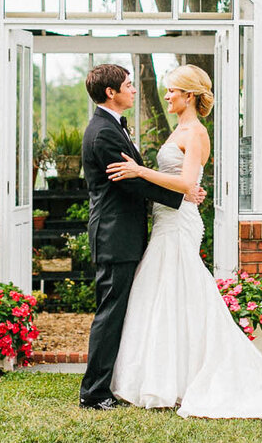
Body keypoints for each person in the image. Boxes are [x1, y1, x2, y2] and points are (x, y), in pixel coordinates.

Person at [106, 64, 262, 419]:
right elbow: (180, 184)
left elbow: (185, 183)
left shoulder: (195, 132)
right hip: (166, 219)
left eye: (171, 91)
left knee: (178, 292)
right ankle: (166, 376)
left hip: (179, 223)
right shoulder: (180, 128)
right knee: (165, 295)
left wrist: (139, 171)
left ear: (189, 96)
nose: (166, 95)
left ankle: (182, 377)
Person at [78, 63, 206, 410]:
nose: (134, 90)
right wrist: (181, 195)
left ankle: (109, 384)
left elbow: (140, 175)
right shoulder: (103, 132)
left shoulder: (113, 126)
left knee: (123, 307)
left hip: (132, 232)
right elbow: (130, 182)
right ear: (111, 92)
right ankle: (94, 392)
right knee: (111, 310)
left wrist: (182, 192)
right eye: (129, 85)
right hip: (114, 234)